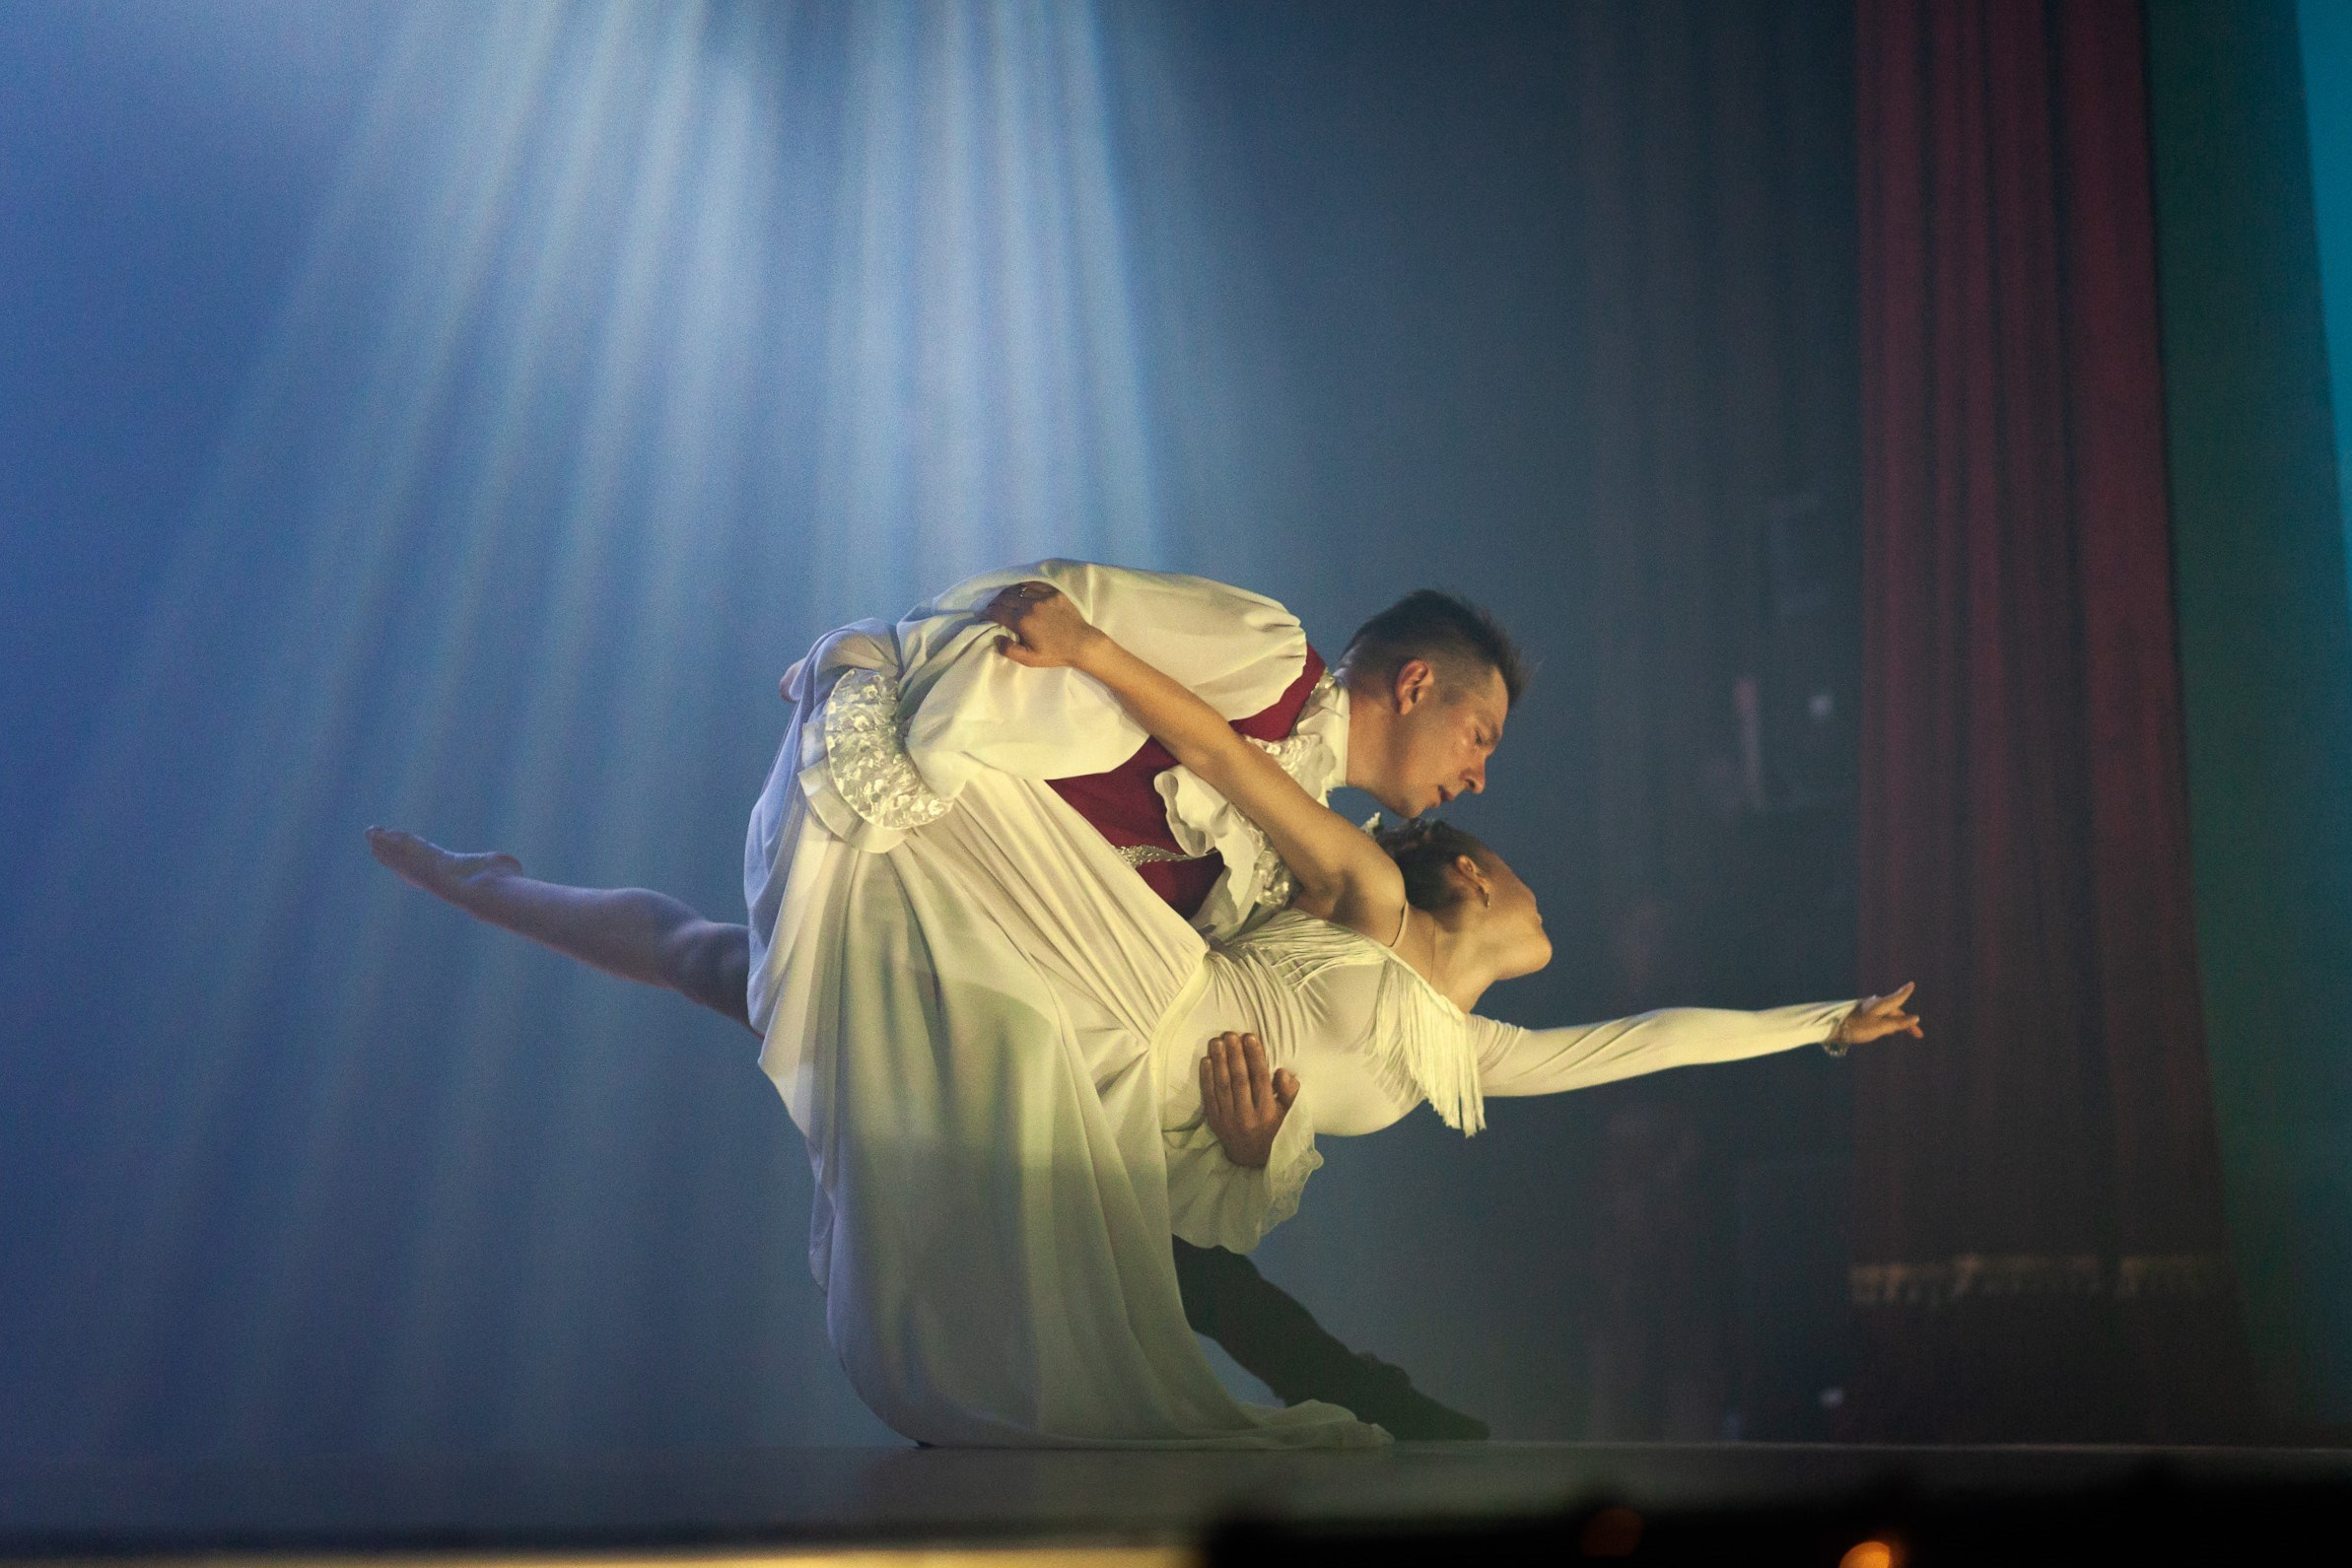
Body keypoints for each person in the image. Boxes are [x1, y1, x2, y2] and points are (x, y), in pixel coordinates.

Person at [374, 564, 1922, 1447]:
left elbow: (1634, 1047)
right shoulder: (1331, 807)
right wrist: (1066, 646)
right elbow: (1180, 715)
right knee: (786, 934)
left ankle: (494, 888)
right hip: (1106, 972)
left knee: (744, 975)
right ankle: (751, 746)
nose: (1485, 773)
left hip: (1115, 1067)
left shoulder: (1454, 1039)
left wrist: (1819, 1022)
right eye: (1484, 732)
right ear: (1412, 690)